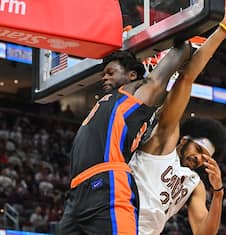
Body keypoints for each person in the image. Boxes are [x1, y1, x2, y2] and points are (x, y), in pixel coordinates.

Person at [128, 0, 226, 234]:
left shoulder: (193, 183)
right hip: (117, 223)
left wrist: (218, 193)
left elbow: (203, 232)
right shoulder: (165, 139)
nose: (199, 160)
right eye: (199, 151)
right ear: (185, 139)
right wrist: (223, 30)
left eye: (205, 159)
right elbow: (186, 78)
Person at [58, 38, 193, 233]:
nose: (104, 77)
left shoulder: (134, 93)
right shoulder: (110, 99)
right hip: (77, 191)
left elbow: (157, 79)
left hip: (108, 184)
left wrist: (185, 41)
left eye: (110, 73)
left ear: (131, 76)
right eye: (103, 74)